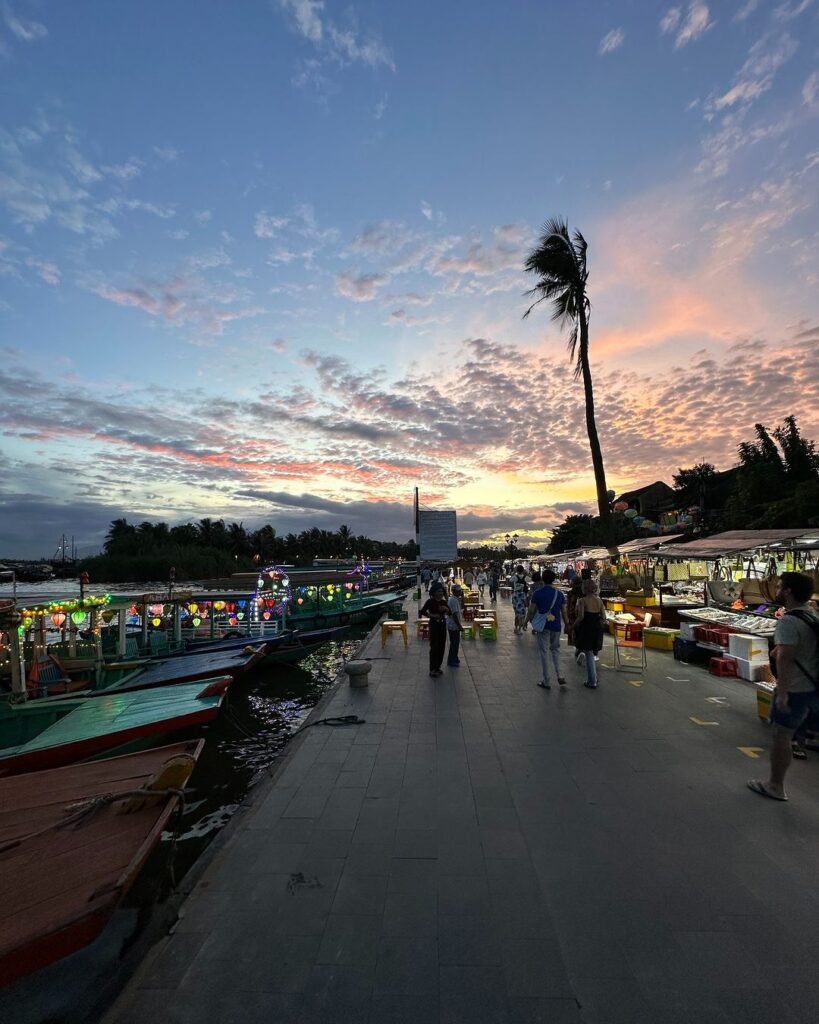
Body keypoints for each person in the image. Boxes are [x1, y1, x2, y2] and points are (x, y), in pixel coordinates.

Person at [748, 571, 819, 801]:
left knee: (781, 735)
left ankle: (775, 785)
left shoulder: (788, 621)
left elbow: (785, 659)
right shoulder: (812, 615)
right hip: (814, 687)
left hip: (796, 689)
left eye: (779, 586)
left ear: (788, 591)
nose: (776, 590)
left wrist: (782, 693)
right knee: (803, 735)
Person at [527, 569, 568, 688]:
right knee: (555, 650)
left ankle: (546, 680)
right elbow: (564, 611)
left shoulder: (537, 593)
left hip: (543, 626)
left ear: (542, 579)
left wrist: (525, 621)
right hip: (556, 626)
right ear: (554, 579)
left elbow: (531, 610)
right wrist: (568, 625)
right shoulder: (559, 594)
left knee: (544, 652)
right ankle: (560, 675)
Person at [573, 579, 607, 688]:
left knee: (588, 653)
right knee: (591, 652)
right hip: (597, 628)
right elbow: (604, 617)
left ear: (584, 589)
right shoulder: (599, 601)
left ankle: (592, 680)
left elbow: (581, 616)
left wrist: (572, 626)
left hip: (586, 627)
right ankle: (593, 679)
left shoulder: (582, 601)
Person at [420, 582, 449, 677]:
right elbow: (422, 612)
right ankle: (432, 669)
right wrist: (432, 615)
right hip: (434, 625)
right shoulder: (430, 602)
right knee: (434, 647)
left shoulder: (443, 602)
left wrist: (446, 609)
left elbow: (450, 613)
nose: (440, 593)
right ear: (434, 592)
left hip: (442, 625)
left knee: (442, 646)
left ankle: (438, 667)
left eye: (441, 591)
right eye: (438, 591)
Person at [446, 584, 466, 667]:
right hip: (453, 625)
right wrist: (459, 626)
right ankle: (451, 660)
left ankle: (454, 657)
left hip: (454, 625)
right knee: (454, 643)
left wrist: (463, 597)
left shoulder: (456, 599)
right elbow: (454, 614)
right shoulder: (453, 600)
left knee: (456, 643)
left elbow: (462, 607)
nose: (460, 592)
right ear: (454, 591)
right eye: (459, 591)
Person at [511, 565, 529, 634]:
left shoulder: (515, 577)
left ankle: (516, 628)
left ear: (517, 570)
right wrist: (526, 573)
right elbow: (531, 579)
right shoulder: (526, 578)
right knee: (522, 614)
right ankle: (519, 629)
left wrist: (514, 572)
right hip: (522, 596)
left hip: (515, 596)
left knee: (516, 613)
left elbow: (510, 579)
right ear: (523, 570)